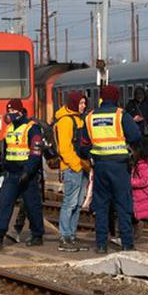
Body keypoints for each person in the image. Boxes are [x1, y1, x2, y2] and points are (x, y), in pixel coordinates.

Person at [0, 99, 44, 249]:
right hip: (11, 174)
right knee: (4, 204)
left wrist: (28, 171)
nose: (10, 114)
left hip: (27, 175)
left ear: (20, 111)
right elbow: (6, 150)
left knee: (32, 205)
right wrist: (4, 169)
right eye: (9, 111)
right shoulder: (9, 128)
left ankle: (37, 235)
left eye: (13, 111)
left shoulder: (32, 128)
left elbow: (35, 153)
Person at [87, 85, 141, 253]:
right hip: (119, 166)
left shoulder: (90, 117)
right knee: (123, 205)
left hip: (100, 166)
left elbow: (83, 143)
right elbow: (135, 136)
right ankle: (127, 243)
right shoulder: (120, 115)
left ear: (101, 98)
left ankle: (101, 244)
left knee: (101, 206)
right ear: (116, 97)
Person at [54, 91, 90, 252]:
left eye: (84, 103)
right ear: (74, 103)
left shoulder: (79, 119)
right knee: (70, 203)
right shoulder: (66, 121)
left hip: (81, 167)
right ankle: (64, 236)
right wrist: (77, 165)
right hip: (72, 168)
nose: (83, 106)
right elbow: (64, 148)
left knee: (78, 203)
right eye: (81, 103)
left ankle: (72, 235)